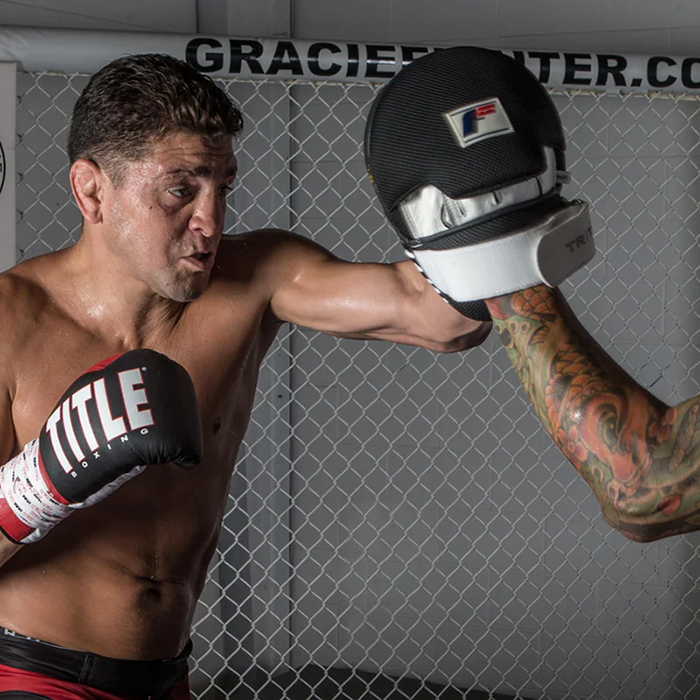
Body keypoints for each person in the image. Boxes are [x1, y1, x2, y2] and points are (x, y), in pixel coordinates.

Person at [0, 53, 492, 699]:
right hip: (32, 675)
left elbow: (447, 320)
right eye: (181, 191)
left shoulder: (255, 276)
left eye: (222, 188)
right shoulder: (11, 322)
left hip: (169, 676)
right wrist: (39, 482)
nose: (211, 221)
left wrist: (498, 203)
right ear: (92, 192)